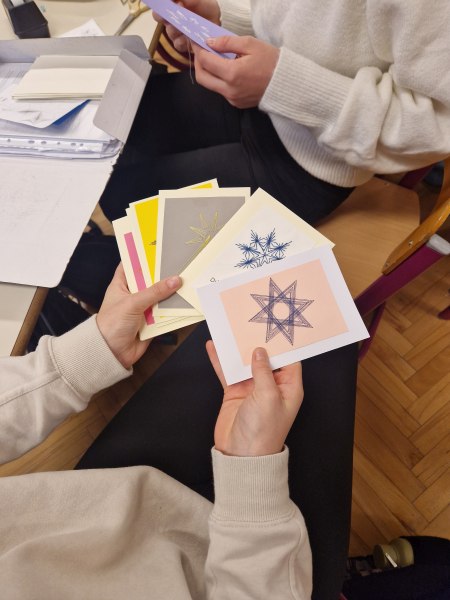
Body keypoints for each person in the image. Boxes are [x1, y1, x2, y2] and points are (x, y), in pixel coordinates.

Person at [0, 264, 313, 598]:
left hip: (117, 501)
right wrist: (251, 476)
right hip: (240, 568)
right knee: (315, 352)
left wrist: (90, 352)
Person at [98, 0, 450, 226]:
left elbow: (438, 123)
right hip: (261, 102)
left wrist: (283, 85)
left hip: (310, 164)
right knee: (123, 122)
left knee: (121, 198)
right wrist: (222, 17)